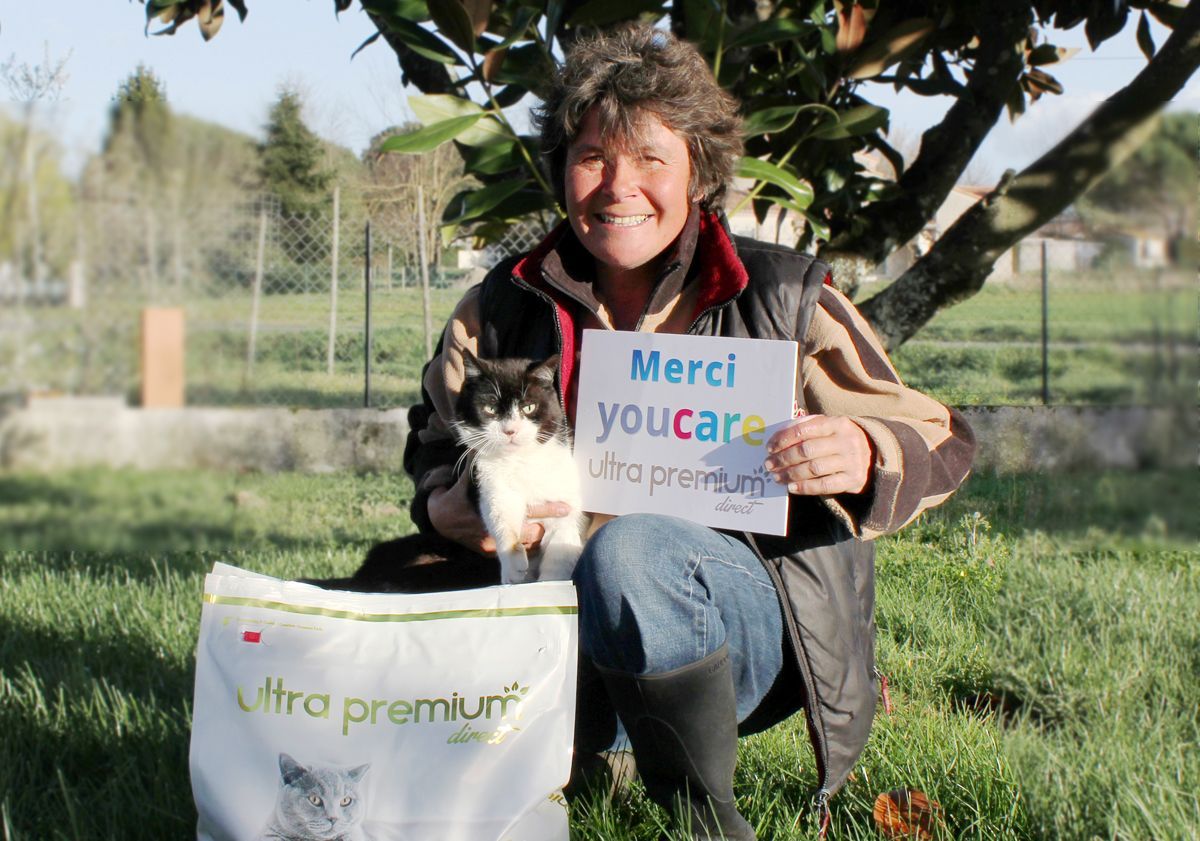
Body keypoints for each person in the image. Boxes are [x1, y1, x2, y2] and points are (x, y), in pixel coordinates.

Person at [403, 24, 975, 841]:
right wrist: (441, 507)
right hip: (548, 617)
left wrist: (862, 452)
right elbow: (431, 442)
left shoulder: (781, 296)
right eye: (593, 155)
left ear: (699, 173)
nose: (617, 186)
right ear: (563, 169)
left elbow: (943, 440)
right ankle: (586, 749)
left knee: (632, 548)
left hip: (738, 628)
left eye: (650, 159)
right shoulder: (502, 304)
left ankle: (703, 815)